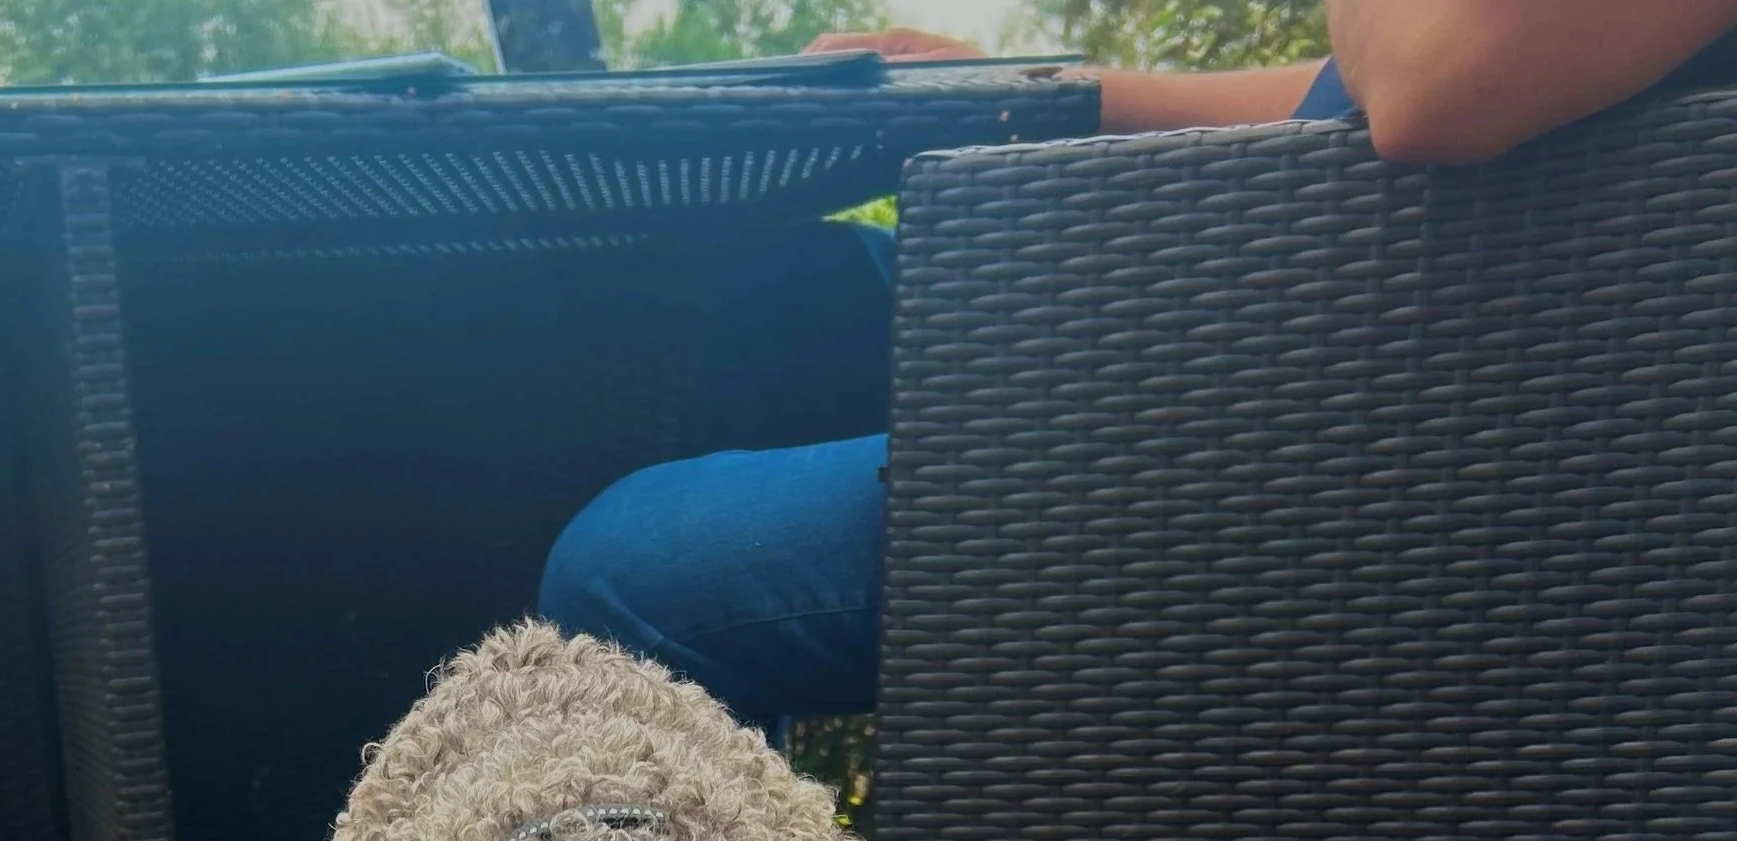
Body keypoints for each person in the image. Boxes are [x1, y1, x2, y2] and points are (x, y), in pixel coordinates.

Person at [537, 3, 1737, 730]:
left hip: (1366, 437)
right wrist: (1051, 91)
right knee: (776, 304)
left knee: (620, 577)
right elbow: (1354, 95)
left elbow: (1433, 82)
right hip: (1296, 310)